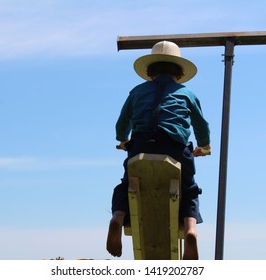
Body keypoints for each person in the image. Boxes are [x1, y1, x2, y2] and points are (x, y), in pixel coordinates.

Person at [106, 41, 211, 260]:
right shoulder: (187, 94)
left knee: (126, 185)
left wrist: (123, 140)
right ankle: (190, 229)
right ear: (179, 72)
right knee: (189, 188)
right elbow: (201, 125)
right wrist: (204, 146)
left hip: (141, 146)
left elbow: (121, 124)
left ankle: (117, 217)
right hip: (175, 150)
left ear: (150, 71)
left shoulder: (136, 91)